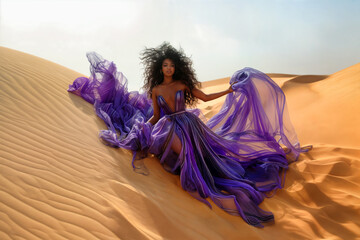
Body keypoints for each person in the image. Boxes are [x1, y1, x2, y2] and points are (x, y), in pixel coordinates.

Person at [68, 42, 311, 227]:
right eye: (165, 65)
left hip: (189, 124)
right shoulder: (156, 90)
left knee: (208, 160)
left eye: (172, 65)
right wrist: (142, 128)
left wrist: (228, 90)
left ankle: (210, 181)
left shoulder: (183, 84)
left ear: (177, 67)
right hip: (168, 126)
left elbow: (204, 98)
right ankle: (193, 181)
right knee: (184, 156)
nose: (169, 68)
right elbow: (154, 115)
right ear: (159, 68)